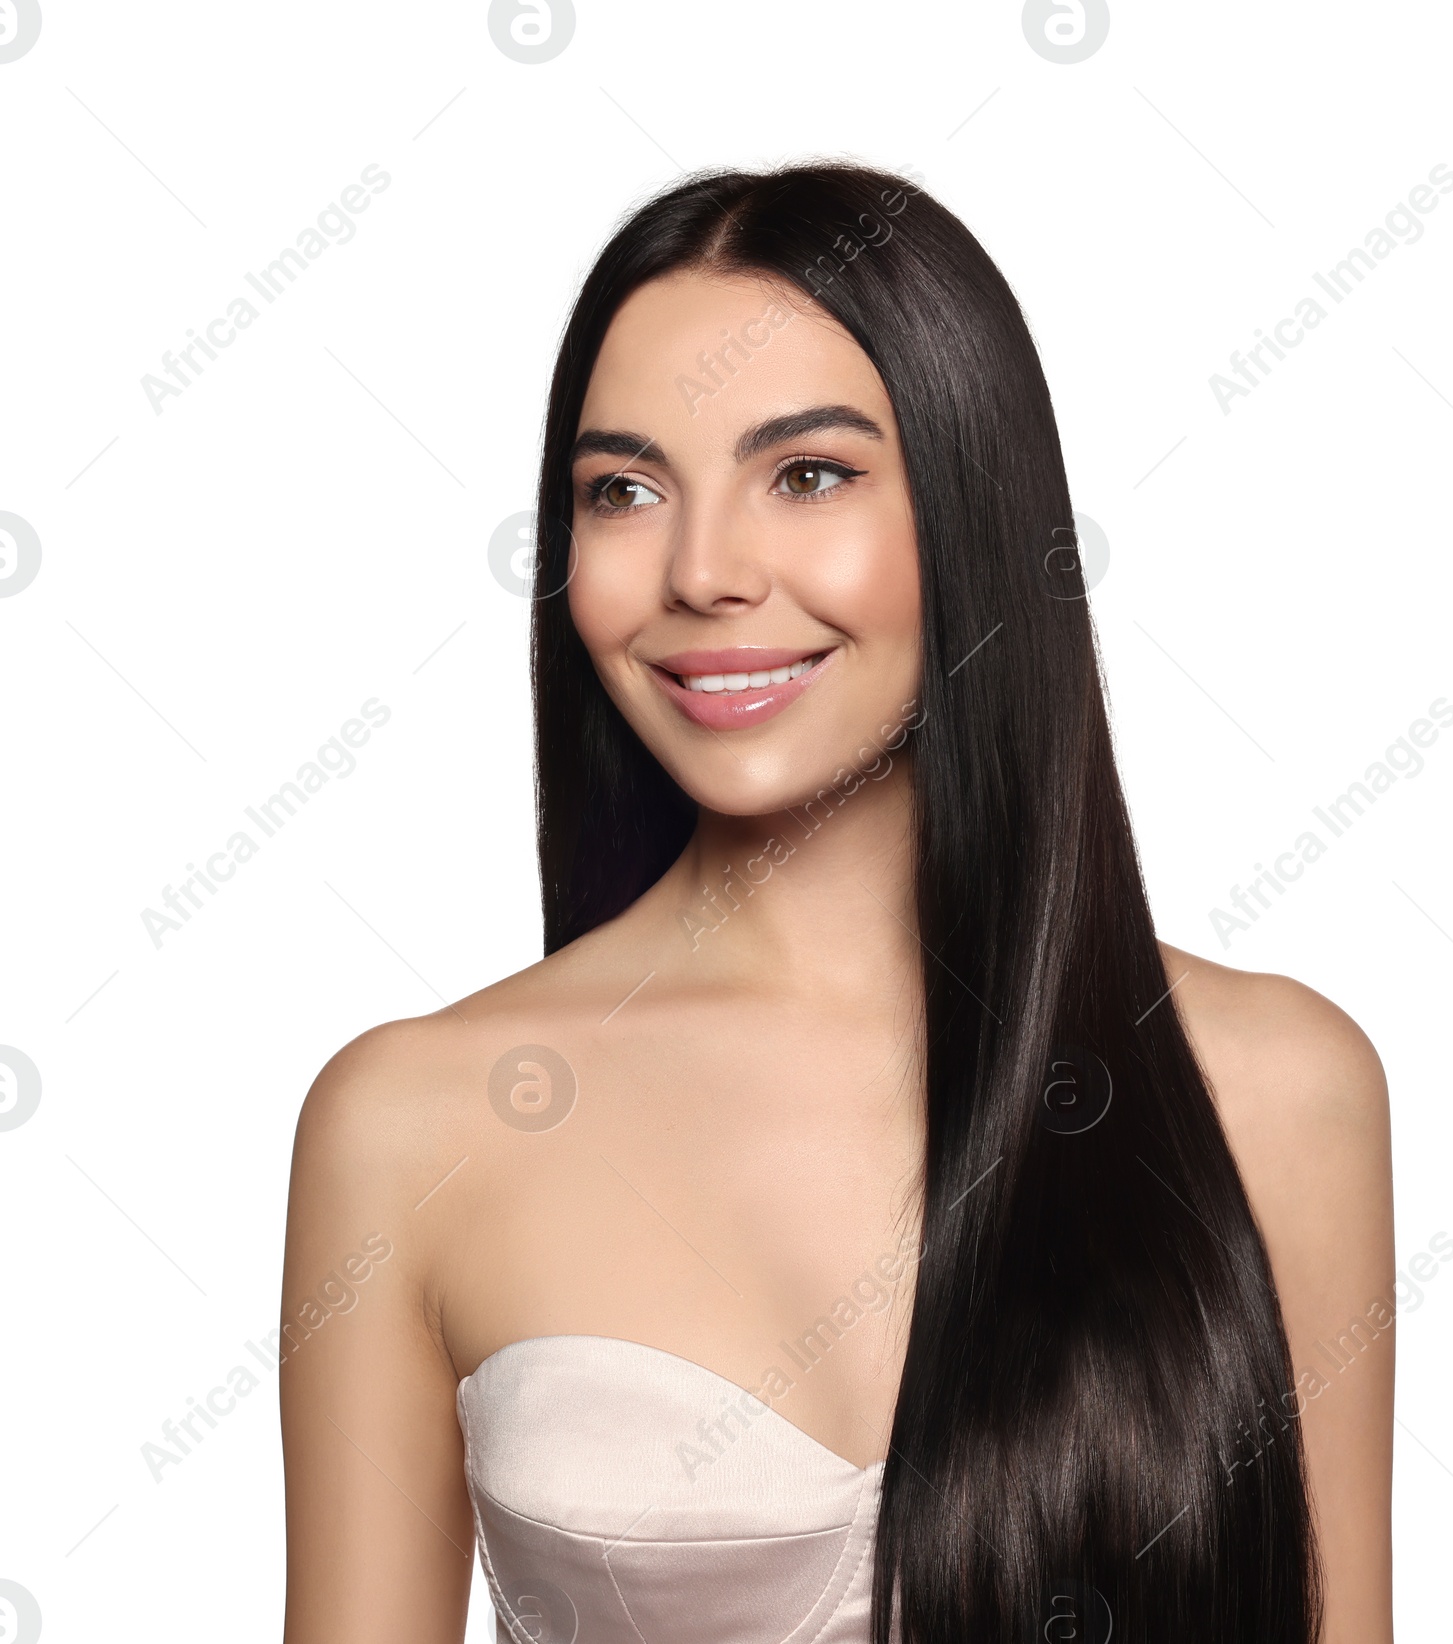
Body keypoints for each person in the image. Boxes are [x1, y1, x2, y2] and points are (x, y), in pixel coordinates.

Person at [280, 163, 1393, 1644]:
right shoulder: (412, 1123)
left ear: (969, 505)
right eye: (625, 490)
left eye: (807, 474)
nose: (702, 570)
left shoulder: (1275, 1088)